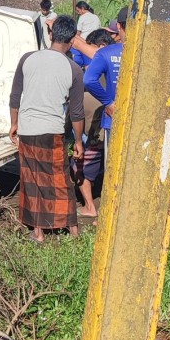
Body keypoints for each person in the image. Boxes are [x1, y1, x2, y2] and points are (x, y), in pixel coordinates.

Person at [9, 15, 85, 243]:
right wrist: (79, 142)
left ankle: (38, 233)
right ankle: (73, 230)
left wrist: (14, 123)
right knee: (60, 179)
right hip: (53, 131)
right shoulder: (74, 69)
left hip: (28, 129)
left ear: (51, 35)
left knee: (32, 180)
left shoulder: (27, 59)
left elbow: (15, 97)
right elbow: (77, 112)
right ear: (72, 40)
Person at [73, 28, 111, 218]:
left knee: (79, 168)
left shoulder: (98, 71)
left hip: (100, 134)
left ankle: (90, 206)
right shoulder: (116, 68)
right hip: (105, 133)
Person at [82, 7, 127, 160]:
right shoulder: (148, 51)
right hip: (141, 120)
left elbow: (88, 79)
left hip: (114, 118)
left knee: (113, 165)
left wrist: (108, 102)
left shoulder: (106, 53)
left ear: (119, 26)